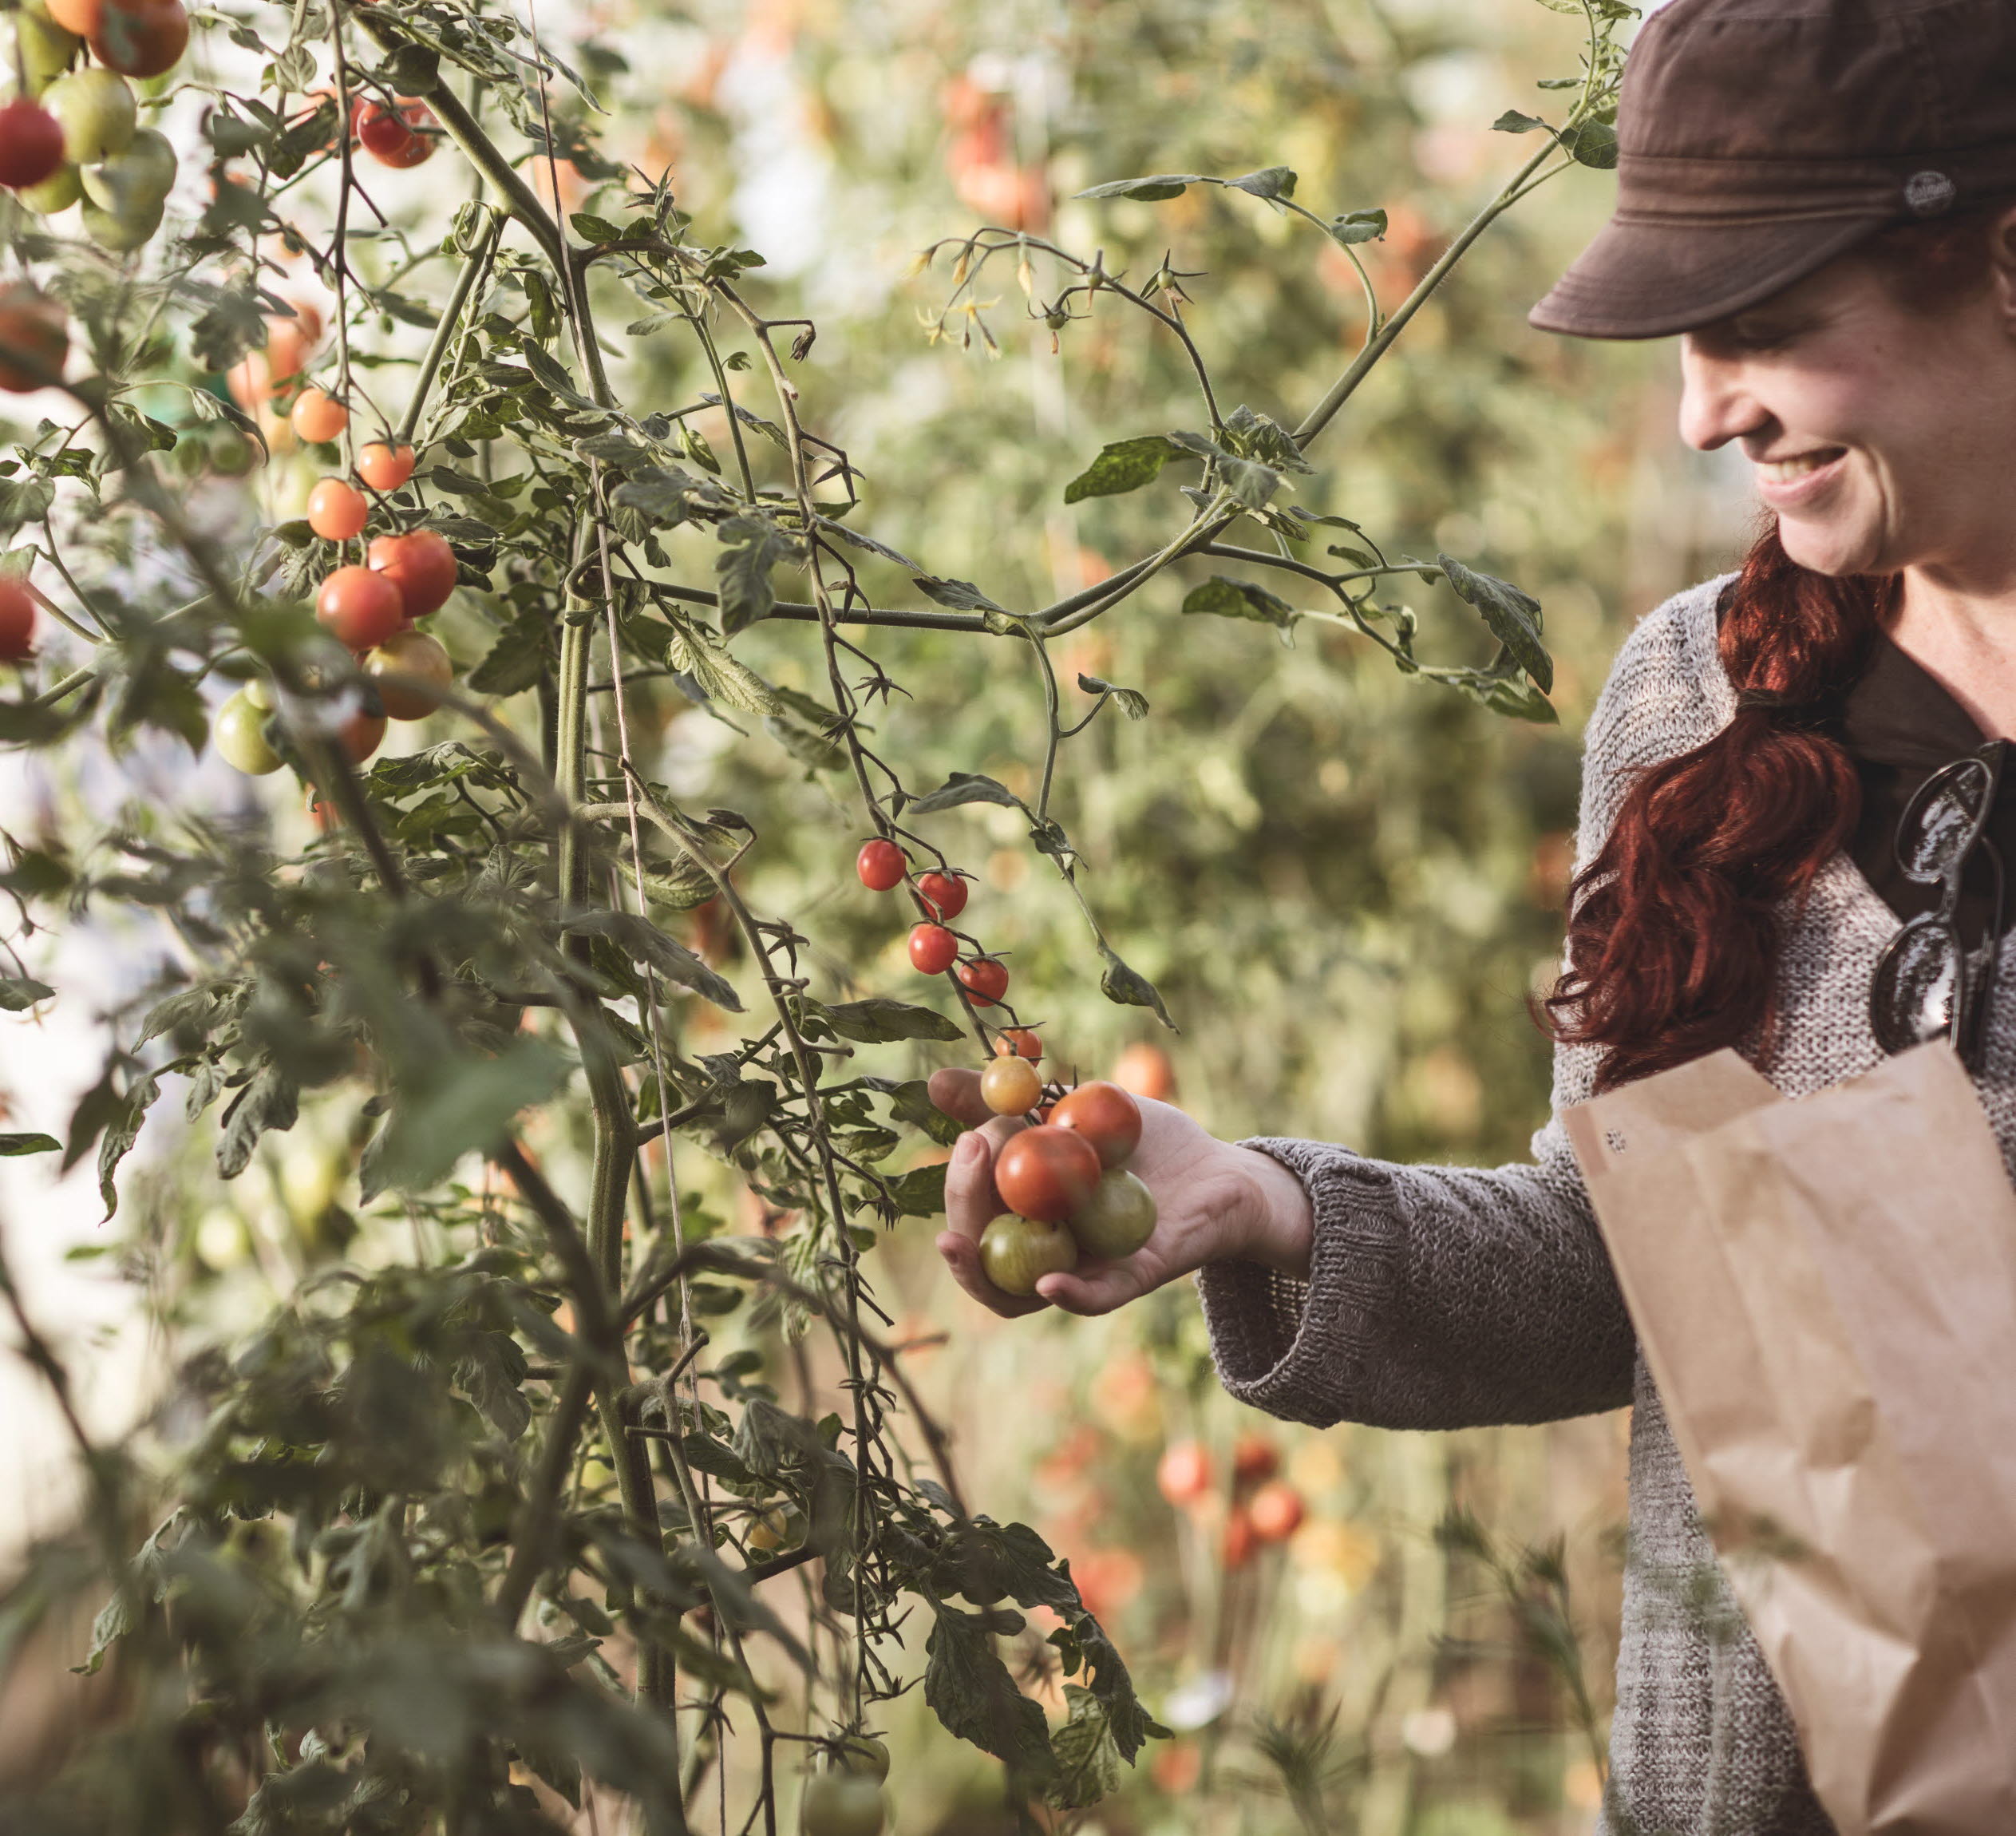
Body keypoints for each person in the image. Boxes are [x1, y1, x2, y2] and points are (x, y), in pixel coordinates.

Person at [929, 0, 2016, 1828]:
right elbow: (1627, 1268)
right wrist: (1266, 1205)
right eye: (1685, 343)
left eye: (1764, 329)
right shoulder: (1701, 706)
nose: (1697, 414)